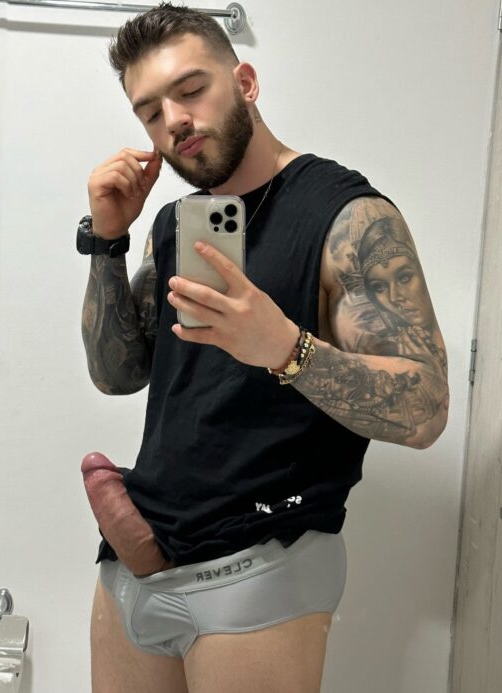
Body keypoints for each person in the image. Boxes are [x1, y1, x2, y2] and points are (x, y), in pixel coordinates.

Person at [78, 3, 449, 692]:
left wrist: (286, 348)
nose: (174, 121)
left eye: (191, 90)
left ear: (244, 82)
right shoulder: (178, 224)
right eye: (151, 112)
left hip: (260, 565)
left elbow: (425, 408)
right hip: (136, 563)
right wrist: (106, 240)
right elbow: (116, 372)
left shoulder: (348, 215)